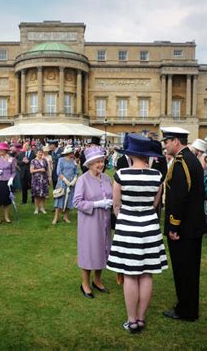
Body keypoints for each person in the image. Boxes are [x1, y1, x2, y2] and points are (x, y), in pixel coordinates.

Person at [107, 134, 167, 333]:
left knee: (131, 275)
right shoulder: (157, 176)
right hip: (150, 225)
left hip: (127, 225)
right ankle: (140, 319)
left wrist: (125, 216)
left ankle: (132, 320)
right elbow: (155, 203)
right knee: (147, 273)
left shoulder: (122, 174)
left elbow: (116, 204)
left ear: (131, 153)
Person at [161, 127, 205, 322]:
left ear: (176, 141)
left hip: (184, 228)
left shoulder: (181, 163)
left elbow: (179, 198)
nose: (165, 145)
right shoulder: (190, 159)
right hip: (192, 226)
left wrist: (173, 226)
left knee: (184, 271)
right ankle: (189, 307)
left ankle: (185, 310)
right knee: (190, 270)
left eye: (167, 142)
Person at [74, 146, 113, 299]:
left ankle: (97, 280)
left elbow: (111, 194)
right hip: (89, 222)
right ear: (89, 164)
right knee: (89, 251)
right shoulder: (82, 180)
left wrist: (111, 202)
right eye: (97, 162)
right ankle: (85, 283)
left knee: (102, 249)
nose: (100, 164)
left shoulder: (106, 178)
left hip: (105, 221)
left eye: (102, 161)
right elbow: (76, 202)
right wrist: (96, 204)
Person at [0, 142, 16, 224]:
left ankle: (6, 217)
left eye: (1, 150)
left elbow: (14, 172)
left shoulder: (12, 159)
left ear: (5, 150)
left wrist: (11, 179)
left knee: (6, 201)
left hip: (7, 182)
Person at [52, 146, 78, 225]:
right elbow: (59, 172)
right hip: (62, 183)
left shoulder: (73, 161)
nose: (73, 154)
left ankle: (66, 217)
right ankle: (56, 218)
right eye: (72, 153)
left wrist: (74, 180)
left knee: (69, 200)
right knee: (59, 199)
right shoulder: (61, 160)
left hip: (71, 184)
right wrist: (65, 180)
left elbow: (76, 172)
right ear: (69, 153)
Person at [30, 148, 49, 214]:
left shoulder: (44, 160)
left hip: (44, 179)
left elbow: (47, 170)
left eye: (41, 152)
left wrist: (49, 177)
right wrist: (40, 169)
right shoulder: (33, 161)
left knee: (43, 195)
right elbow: (31, 171)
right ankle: (36, 208)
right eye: (39, 152)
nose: (40, 153)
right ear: (36, 153)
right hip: (36, 180)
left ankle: (42, 208)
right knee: (36, 195)